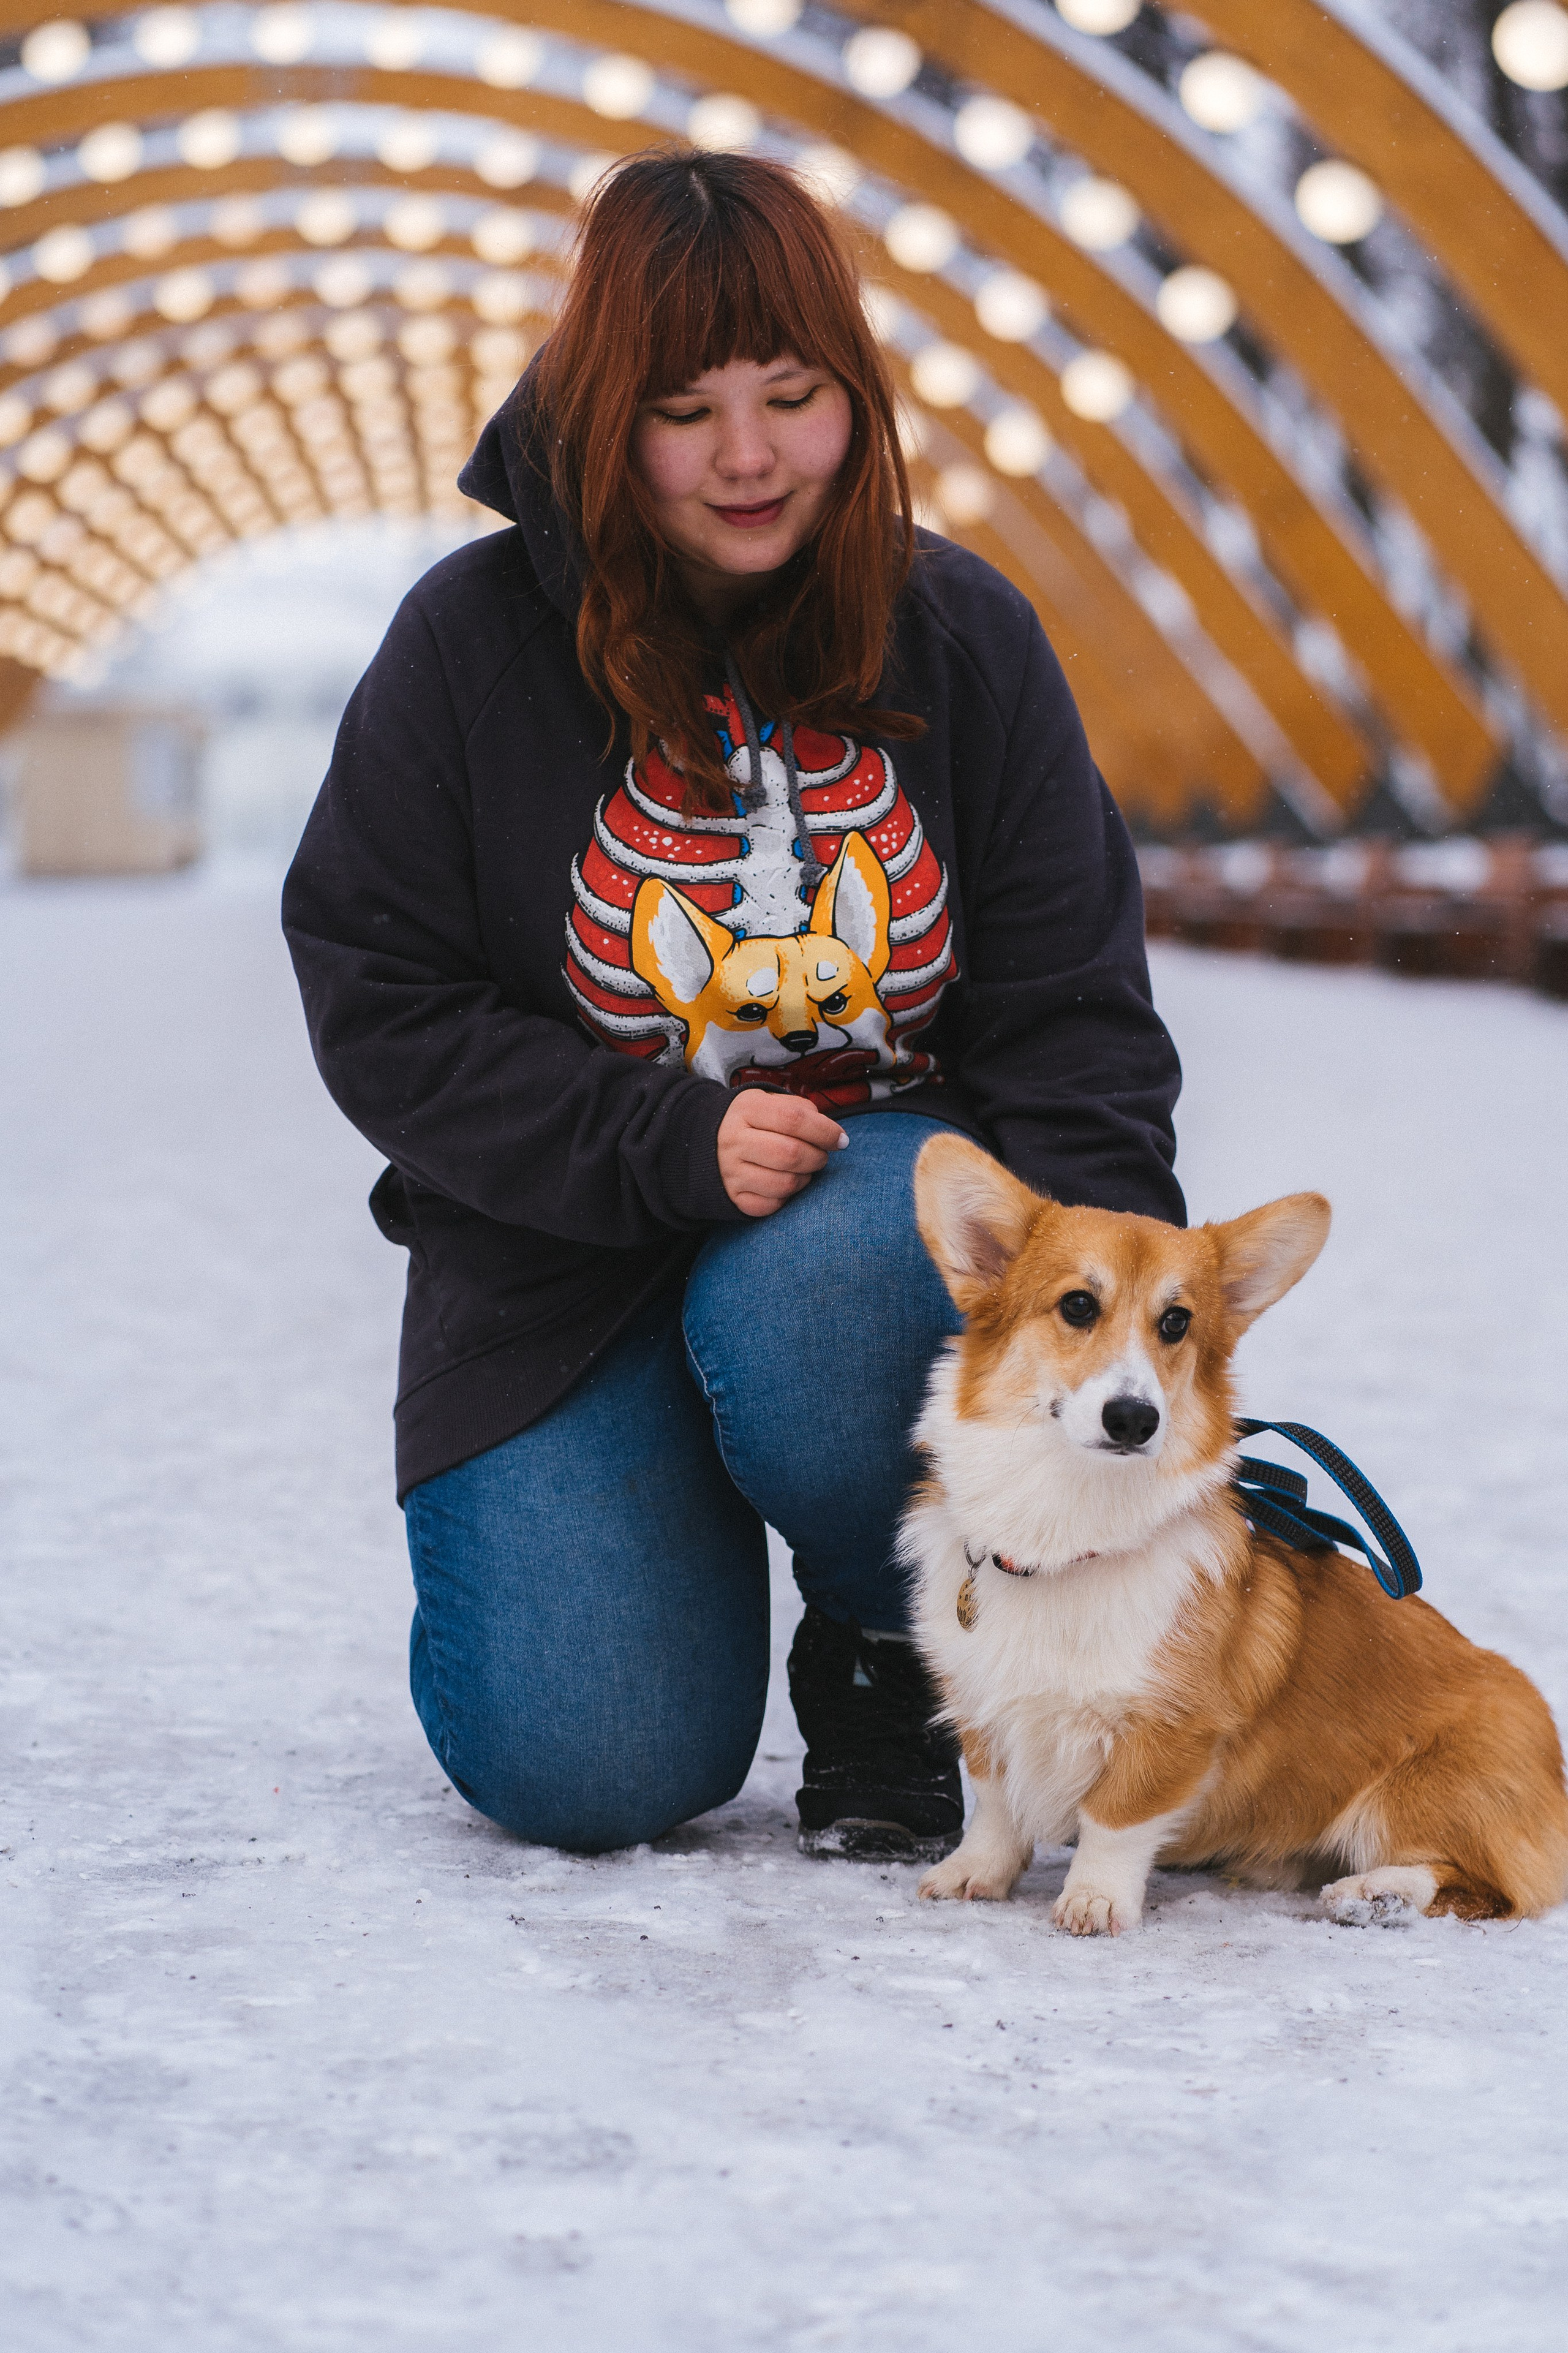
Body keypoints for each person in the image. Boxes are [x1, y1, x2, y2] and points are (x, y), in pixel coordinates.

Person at [282, 149, 1183, 1864]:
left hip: (860, 1272)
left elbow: (1078, 1022)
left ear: (858, 394)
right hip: (561, 1259)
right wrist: (656, 1135)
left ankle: (884, 1633)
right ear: (604, 415)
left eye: (795, 394)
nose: (752, 454)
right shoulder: (468, 649)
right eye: (687, 409)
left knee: (834, 1260)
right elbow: (378, 986)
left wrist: (1125, 1358)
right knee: (589, 1765)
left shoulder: (962, 638)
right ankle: (654, 1521)